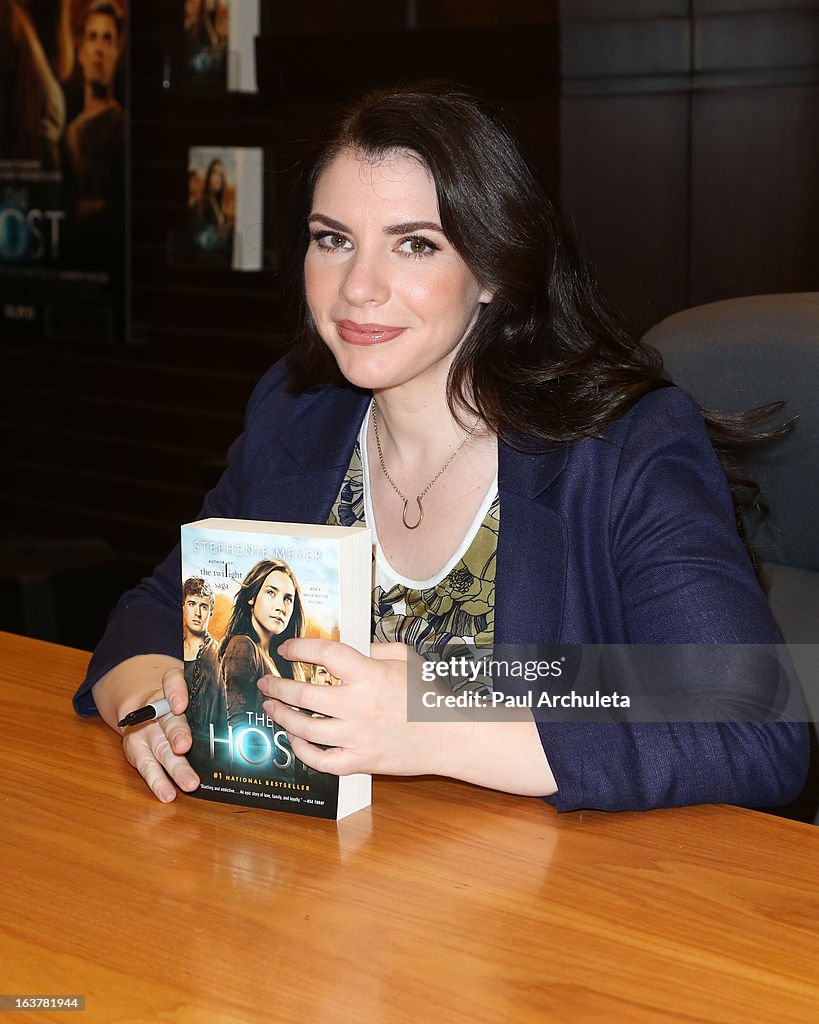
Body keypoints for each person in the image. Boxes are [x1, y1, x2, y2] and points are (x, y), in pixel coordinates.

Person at [73, 81, 809, 811]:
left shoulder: (622, 447)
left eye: (414, 246)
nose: (357, 287)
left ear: (492, 268)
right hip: (331, 878)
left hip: (554, 896)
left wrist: (434, 719)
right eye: (333, 239)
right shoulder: (298, 414)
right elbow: (163, 605)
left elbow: (753, 722)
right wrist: (152, 711)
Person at [217, 559, 307, 782]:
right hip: (261, 780)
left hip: (286, 785)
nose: (281, 606)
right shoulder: (242, 646)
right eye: (271, 593)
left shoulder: (282, 664)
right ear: (251, 597)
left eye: (288, 599)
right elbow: (237, 727)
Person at [63, 0, 124, 238]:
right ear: (80, 52)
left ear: (117, 52)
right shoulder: (70, 133)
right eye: (93, 37)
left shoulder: (123, 127)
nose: (99, 48)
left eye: (108, 39)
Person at [181, 577, 223, 740]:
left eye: (203, 606)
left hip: (210, 743)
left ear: (210, 613)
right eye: (192, 604)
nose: (197, 613)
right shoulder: (173, 650)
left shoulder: (220, 655)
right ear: (183, 607)